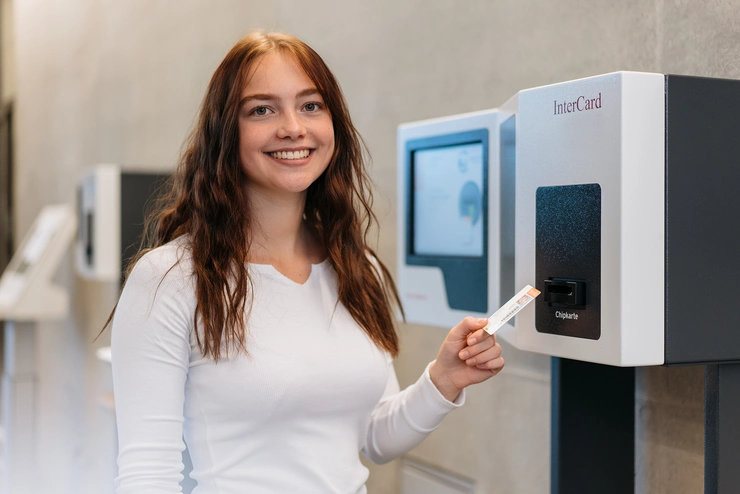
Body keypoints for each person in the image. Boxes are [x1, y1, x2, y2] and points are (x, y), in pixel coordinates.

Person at [110, 31, 504, 494]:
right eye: (262, 109)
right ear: (225, 132)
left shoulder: (358, 268)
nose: (293, 127)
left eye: (311, 105)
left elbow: (374, 436)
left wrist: (443, 380)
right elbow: (146, 477)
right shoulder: (171, 278)